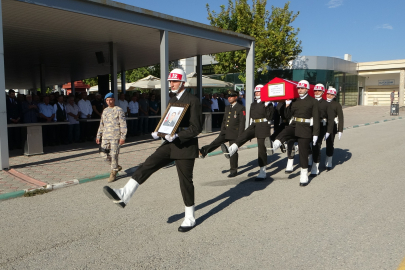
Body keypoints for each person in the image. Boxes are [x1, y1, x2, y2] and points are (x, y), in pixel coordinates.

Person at [103, 68, 202, 233]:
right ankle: (124, 194)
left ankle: (190, 217)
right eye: (170, 81)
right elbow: (168, 121)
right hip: (170, 143)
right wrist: (159, 132)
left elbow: (196, 128)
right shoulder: (172, 100)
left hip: (185, 145)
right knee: (148, 164)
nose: (171, 84)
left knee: (185, 182)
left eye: (175, 81)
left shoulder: (193, 100)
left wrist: (178, 135)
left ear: (183, 82)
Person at [221, 85, 274, 180]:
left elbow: (269, 117)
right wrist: (249, 125)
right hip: (254, 125)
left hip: (263, 126)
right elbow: (250, 116)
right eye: (256, 91)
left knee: (261, 149)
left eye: (259, 91)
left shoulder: (268, 103)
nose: (257, 93)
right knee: (242, 136)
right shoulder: (253, 104)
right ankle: (230, 150)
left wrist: (267, 105)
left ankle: (262, 170)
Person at [272, 80, 320, 186]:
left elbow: (316, 119)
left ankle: (303, 174)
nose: (300, 90)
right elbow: (288, 115)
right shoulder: (295, 100)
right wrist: (287, 105)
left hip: (306, 127)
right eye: (298, 88)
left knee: (303, 152)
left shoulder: (313, 101)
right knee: (284, 132)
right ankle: (275, 145)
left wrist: (316, 134)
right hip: (294, 124)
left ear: (307, 89)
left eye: (302, 88)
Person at [199, 90, 245, 177]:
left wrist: (240, 136)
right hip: (225, 131)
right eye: (228, 96)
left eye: (231, 96)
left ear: (236, 97)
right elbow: (224, 120)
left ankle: (233, 170)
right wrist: (222, 130)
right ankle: (203, 151)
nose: (229, 98)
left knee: (233, 152)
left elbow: (242, 122)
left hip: (235, 133)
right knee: (215, 142)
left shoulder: (240, 108)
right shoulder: (227, 107)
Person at [96, 93, 127, 183]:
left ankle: (113, 172)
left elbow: (123, 124)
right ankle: (116, 166)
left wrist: (123, 137)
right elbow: (101, 124)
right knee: (102, 154)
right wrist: (98, 135)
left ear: (114, 100)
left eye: (110, 100)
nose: (109, 102)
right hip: (105, 136)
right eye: (107, 100)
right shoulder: (105, 111)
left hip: (115, 137)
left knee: (114, 155)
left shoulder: (119, 110)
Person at [309, 84, 334, 176]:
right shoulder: (310, 101)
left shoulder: (326, 104)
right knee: (307, 144)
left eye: (319, 91)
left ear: (323, 92)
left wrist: (328, 131)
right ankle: (310, 159)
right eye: (315, 90)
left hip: (321, 126)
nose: (317, 92)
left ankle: (315, 166)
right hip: (309, 126)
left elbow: (331, 118)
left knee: (316, 146)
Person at [324, 87, 344, 171]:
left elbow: (341, 117)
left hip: (332, 126)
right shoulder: (322, 102)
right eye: (328, 94)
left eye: (331, 94)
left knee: (330, 143)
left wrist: (340, 130)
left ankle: (329, 160)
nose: (329, 95)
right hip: (322, 125)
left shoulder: (337, 105)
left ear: (334, 96)